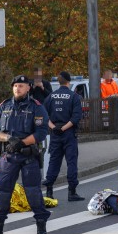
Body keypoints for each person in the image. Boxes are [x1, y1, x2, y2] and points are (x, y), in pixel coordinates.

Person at [0, 75, 50, 234]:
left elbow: (41, 132)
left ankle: (41, 231)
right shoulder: (3, 106)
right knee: (2, 195)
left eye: (21, 85)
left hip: (28, 156)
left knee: (33, 193)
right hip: (8, 156)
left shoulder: (37, 107)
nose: (17, 88)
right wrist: (7, 138)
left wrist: (20, 143)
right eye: (15, 86)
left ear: (28, 88)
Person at [42, 71, 84, 201]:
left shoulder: (51, 96)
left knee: (54, 161)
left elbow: (44, 115)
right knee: (71, 162)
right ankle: (72, 192)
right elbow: (76, 117)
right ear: (68, 81)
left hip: (55, 133)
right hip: (69, 133)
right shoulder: (74, 96)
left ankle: (49, 191)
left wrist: (54, 127)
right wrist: (64, 128)